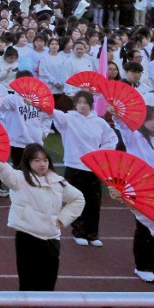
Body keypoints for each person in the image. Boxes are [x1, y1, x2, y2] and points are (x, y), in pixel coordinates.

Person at [0, 143, 84, 308]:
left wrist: (62, 219)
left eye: (45, 160)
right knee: (29, 281)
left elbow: (78, 199)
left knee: (48, 281)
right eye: (36, 160)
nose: (42, 164)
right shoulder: (19, 179)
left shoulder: (57, 181)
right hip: (28, 236)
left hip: (52, 238)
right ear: (28, 162)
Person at [50, 91, 118, 246]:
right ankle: (79, 232)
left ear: (91, 104)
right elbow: (53, 112)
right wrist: (39, 103)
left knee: (93, 202)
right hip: (74, 166)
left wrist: (99, 154)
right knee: (76, 200)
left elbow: (111, 139)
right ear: (75, 104)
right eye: (79, 102)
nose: (82, 105)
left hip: (93, 167)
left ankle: (92, 234)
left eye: (85, 102)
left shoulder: (99, 122)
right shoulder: (68, 118)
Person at [119, 107, 154, 282]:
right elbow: (122, 125)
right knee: (144, 229)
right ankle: (142, 266)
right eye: (150, 119)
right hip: (142, 191)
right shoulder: (135, 137)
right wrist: (117, 114)